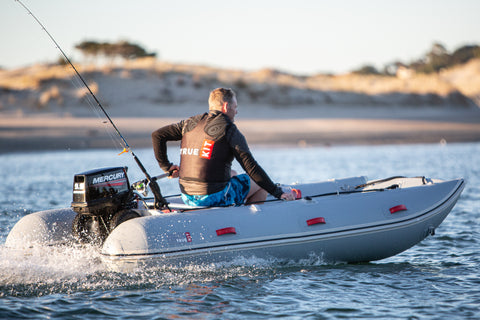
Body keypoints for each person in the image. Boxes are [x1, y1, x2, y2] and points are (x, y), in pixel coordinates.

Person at [152, 87, 295, 207]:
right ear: (226, 107)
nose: (236, 111)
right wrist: (278, 192)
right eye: (235, 107)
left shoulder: (190, 123)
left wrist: (166, 166)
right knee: (257, 183)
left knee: (232, 173)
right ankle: (248, 224)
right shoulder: (229, 129)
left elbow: (158, 135)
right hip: (213, 197)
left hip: (187, 195)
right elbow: (251, 168)